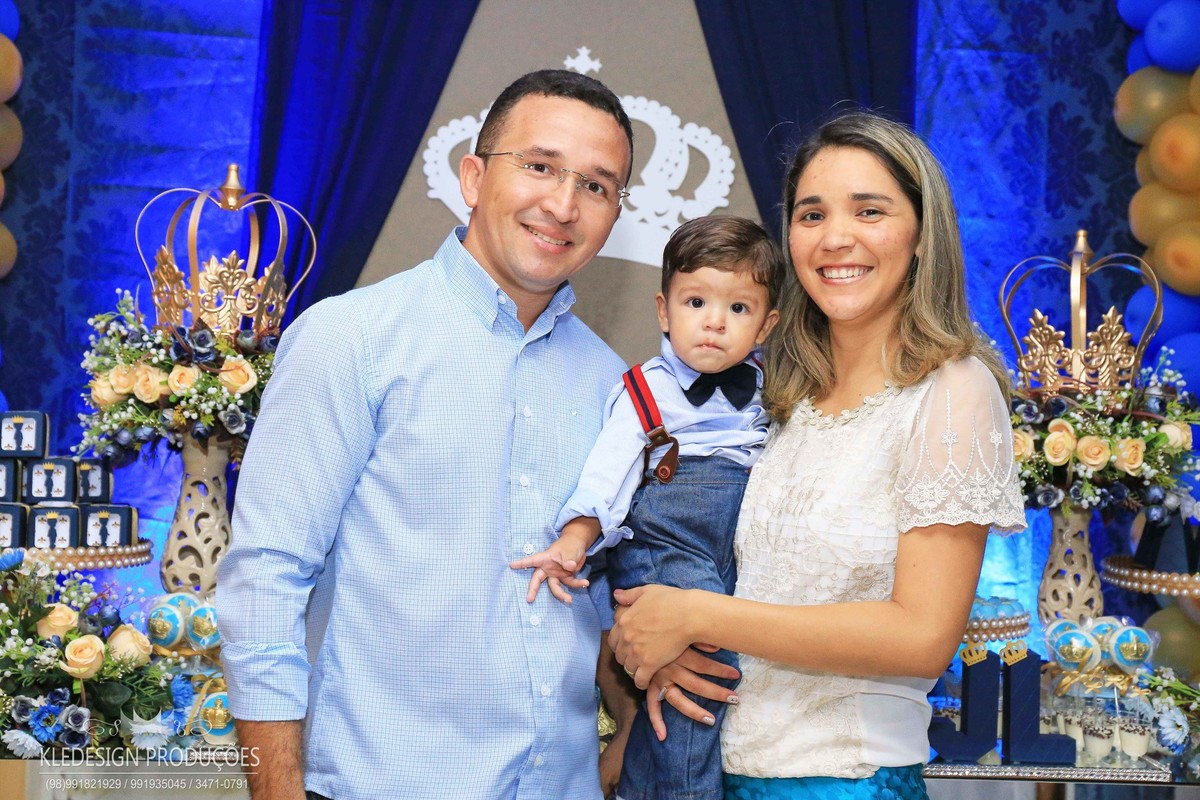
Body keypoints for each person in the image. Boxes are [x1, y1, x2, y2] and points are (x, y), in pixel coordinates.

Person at [216, 69, 640, 800]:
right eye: (540, 166)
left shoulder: (612, 385)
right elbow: (265, 580)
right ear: (473, 178)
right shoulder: (351, 339)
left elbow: (598, 597)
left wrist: (632, 725)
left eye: (596, 186)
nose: (563, 204)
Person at [608, 111, 1027, 800]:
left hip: (844, 782)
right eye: (812, 214)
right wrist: (660, 647)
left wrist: (696, 616)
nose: (835, 237)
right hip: (714, 772)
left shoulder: (953, 390)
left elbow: (922, 635)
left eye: (870, 210)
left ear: (922, 234)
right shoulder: (777, 390)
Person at [512, 215, 783, 800]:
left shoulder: (770, 392)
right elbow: (606, 474)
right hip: (666, 547)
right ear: (664, 311)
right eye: (696, 302)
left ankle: (640, 787)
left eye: (738, 308)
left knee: (734, 671)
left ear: (767, 324)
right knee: (703, 675)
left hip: (732, 550)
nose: (714, 321)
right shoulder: (643, 389)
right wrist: (575, 540)